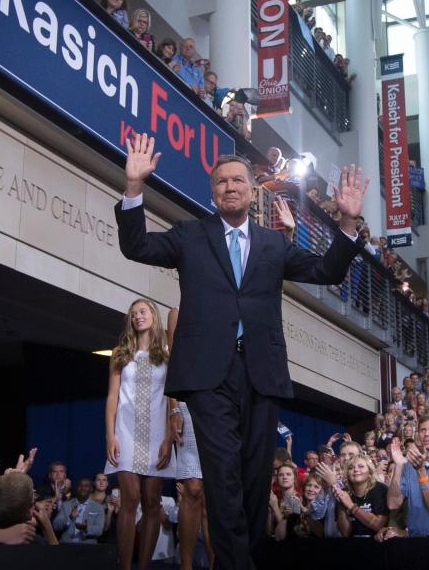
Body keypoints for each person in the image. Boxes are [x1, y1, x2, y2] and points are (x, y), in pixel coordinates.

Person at [114, 134, 367, 570]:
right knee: (222, 475)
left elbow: (327, 270)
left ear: (253, 191)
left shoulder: (273, 244)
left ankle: (247, 559)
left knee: (253, 479)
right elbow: (136, 246)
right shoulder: (190, 236)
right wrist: (134, 188)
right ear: (212, 193)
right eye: (221, 182)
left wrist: (346, 223)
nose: (230, 187)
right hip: (208, 377)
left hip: (261, 373)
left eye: (238, 181)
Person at [104, 298, 176, 570]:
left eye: (142, 312)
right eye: (133, 314)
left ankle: (143, 566)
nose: (137, 317)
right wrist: (110, 436)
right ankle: (125, 566)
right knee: (129, 498)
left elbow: (172, 399)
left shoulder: (167, 355)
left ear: (153, 317)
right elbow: (112, 398)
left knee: (152, 502)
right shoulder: (119, 353)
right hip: (126, 431)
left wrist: (169, 437)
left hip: (157, 432)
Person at [167, 308, 213, 570]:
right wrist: (174, 407)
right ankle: (186, 565)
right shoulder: (177, 313)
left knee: (212, 497)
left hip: (217, 402)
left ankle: (214, 562)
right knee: (193, 488)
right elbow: (174, 360)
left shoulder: (223, 307)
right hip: (186, 400)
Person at [334, 453, 388, 537]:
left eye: (361, 466)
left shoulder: (380, 489)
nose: (355, 470)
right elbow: (345, 533)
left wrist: (351, 506)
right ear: (347, 474)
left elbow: (378, 525)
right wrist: (342, 504)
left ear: (370, 472)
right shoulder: (345, 492)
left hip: (376, 545)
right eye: (351, 468)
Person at [53, 478, 105, 544]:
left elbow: (99, 530)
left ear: (91, 489)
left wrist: (86, 528)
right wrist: (70, 517)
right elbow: (56, 526)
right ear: (76, 488)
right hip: (66, 545)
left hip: (88, 547)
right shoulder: (66, 505)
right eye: (80, 486)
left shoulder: (98, 507)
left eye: (86, 486)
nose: (82, 488)